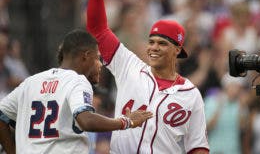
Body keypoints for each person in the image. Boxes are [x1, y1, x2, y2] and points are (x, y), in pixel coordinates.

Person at [86, 0, 209, 154]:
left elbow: (198, 147)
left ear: (177, 50)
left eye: (162, 43)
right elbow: (97, 30)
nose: (153, 47)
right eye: (151, 42)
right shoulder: (130, 66)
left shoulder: (191, 94)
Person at [0, 29, 152, 154]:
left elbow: (1, 116)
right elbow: (86, 120)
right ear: (86, 56)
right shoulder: (78, 80)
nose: (100, 64)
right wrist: (126, 121)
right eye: (98, 58)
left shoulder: (31, 82)